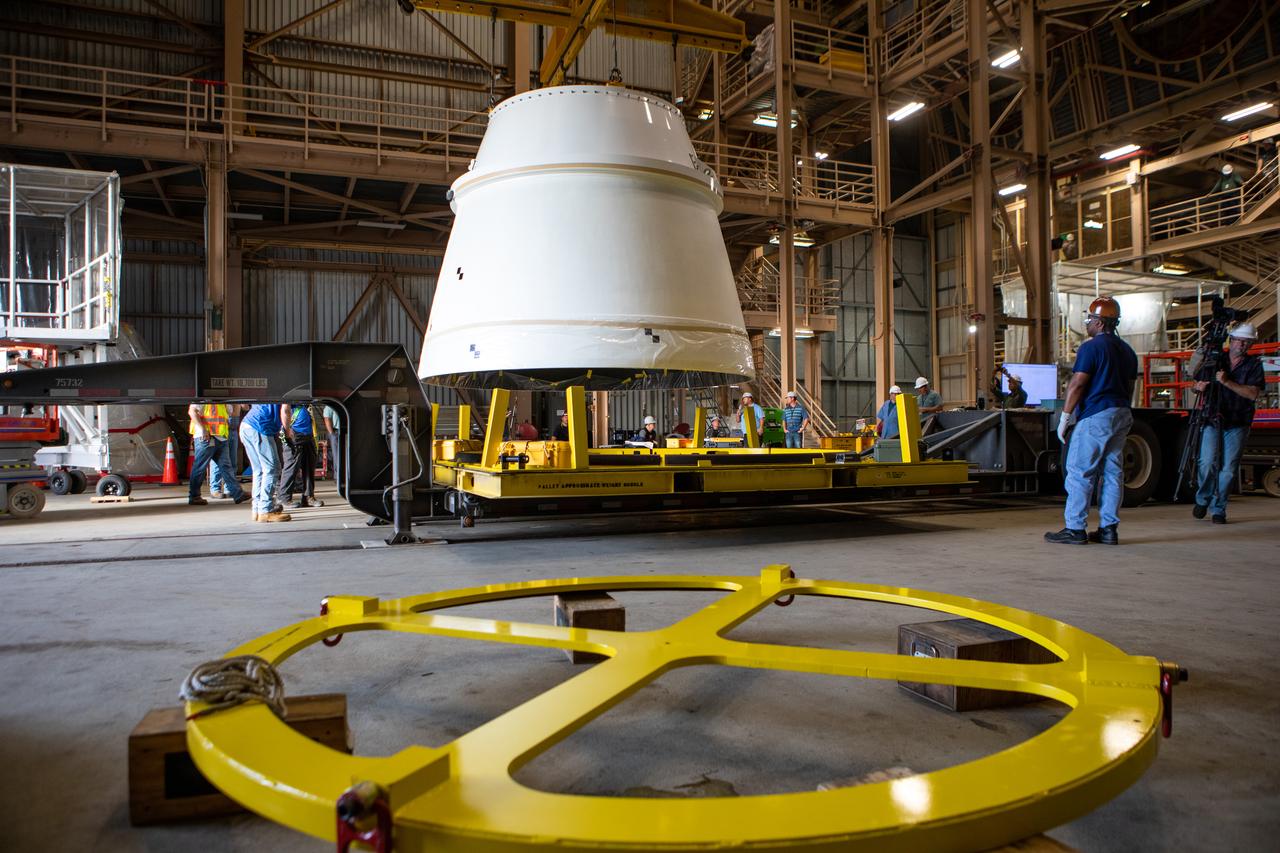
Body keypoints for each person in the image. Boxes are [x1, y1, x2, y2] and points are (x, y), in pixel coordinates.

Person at [1045, 296, 1137, 546]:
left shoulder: (1091, 348)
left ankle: (1075, 528)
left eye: (1089, 319)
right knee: (1112, 473)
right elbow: (1130, 387)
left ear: (1099, 322)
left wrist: (1065, 417)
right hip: (1121, 413)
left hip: (1096, 415)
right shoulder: (1128, 351)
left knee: (1080, 471)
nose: (1087, 324)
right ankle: (1109, 529)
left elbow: (1078, 383)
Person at [1192, 323, 1264, 524]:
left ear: (1250, 344)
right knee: (1206, 462)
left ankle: (1218, 509)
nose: (1242, 344)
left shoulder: (1254, 365)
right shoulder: (1216, 359)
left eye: (1247, 342)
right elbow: (1195, 383)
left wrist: (1227, 382)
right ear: (1231, 341)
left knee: (1229, 468)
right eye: (1239, 340)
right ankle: (1203, 498)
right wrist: (1197, 387)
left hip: (1238, 421)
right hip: (1212, 417)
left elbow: (1252, 393)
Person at [186, 402, 249, 507]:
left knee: (226, 467)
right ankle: (194, 496)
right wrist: (203, 429)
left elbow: (232, 413)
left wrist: (237, 401)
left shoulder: (223, 401)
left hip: (220, 437)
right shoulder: (203, 399)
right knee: (200, 468)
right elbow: (192, 412)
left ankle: (238, 494)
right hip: (206, 437)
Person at [239, 403, 290, 522]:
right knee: (272, 469)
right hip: (260, 427)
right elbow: (286, 410)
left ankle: (257, 510)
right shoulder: (288, 393)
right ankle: (266, 510)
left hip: (246, 425)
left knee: (259, 470)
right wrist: (287, 433)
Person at [278, 402, 319, 509]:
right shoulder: (289, 397)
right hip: (294, 435)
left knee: (309, 467)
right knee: (291, 467)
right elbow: (284, 410)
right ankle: (284, 498)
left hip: (308, 435)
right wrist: (287, 431)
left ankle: (308, 497)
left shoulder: (304, 399)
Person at [209, 403, 244, 499]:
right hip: (220, 430)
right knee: (218, 462)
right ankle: (215, 489)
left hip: (233, 429)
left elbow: (244, 407)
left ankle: (229, 489)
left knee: (232, 462)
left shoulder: (236, 397)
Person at [322, 404, 342, 492]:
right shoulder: (330, 406)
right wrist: (332, 434)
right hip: (336, 432)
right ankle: (338, 478)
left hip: (346, 430)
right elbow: (327, 418)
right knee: (337, 456)